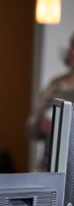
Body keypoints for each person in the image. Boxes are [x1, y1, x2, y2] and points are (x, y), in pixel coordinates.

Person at [26, 32, 74, 171]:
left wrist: (63, 129)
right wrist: (41, 125)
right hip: (48, 166)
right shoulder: (55, 84)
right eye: (72, 46)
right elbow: (30, 125)